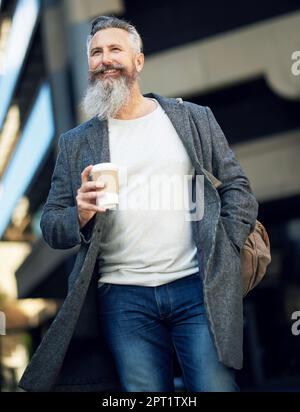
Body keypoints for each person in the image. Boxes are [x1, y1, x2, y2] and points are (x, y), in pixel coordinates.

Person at [18, 16, 258, 392]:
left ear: (138, 61)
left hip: (195, 287)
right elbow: (51, 225)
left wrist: (226, 243)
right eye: (96, 52)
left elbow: (237, 186)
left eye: (115, 49)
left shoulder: (191, 118)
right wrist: (79, 214)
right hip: (123, 297)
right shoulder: (76, 143)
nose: (104, 59)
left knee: (215, 386)